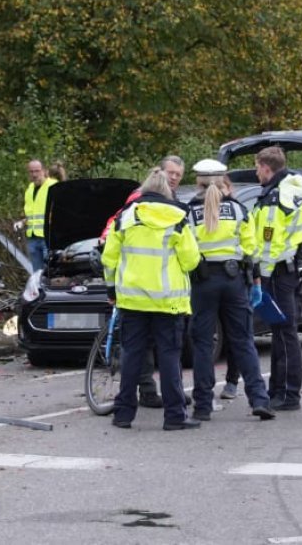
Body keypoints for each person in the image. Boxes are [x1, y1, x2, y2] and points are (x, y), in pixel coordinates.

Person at [102, 167, 201, 430]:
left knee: (132, 356)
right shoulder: (178, 217)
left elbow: (109, 258)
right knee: (169, 358)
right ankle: (174, 416)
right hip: (168, 302)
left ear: (143, 191)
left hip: (132, 300)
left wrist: (111, 290)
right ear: (167, 192)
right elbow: (191, 261)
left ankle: (123, 415)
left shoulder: (125, 218)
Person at [187, 159, 275, 421]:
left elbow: (186, 251)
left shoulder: (189, 212)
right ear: (222, 180)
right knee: (243, 340)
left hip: (202, 282)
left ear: (198, 182)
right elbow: (252, 249)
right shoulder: (238, 210)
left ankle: (202, 405)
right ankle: (260, 400)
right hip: (234, 280)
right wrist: (255, 279)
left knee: (203, 344)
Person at [252, 147, 302, 412]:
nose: (256, 173)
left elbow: (269, 242)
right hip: (290, 268)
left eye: (257, 168)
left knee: (285, 332)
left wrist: (260, 275)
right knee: (281, 332)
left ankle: (288, 394)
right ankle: (279, 390)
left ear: (266, 167)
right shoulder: (292, 191)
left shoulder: (276, 198)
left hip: (276, 271)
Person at [16, 159, 58, 271]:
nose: (34, 174)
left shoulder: (53, 186)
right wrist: (22, 222)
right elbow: (33, 215)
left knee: (50, 272)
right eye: (31, 171)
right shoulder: (29, 189)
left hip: (48, 238)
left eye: (37, 171)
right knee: (37, 274)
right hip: (33, 238)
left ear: (44, 171)